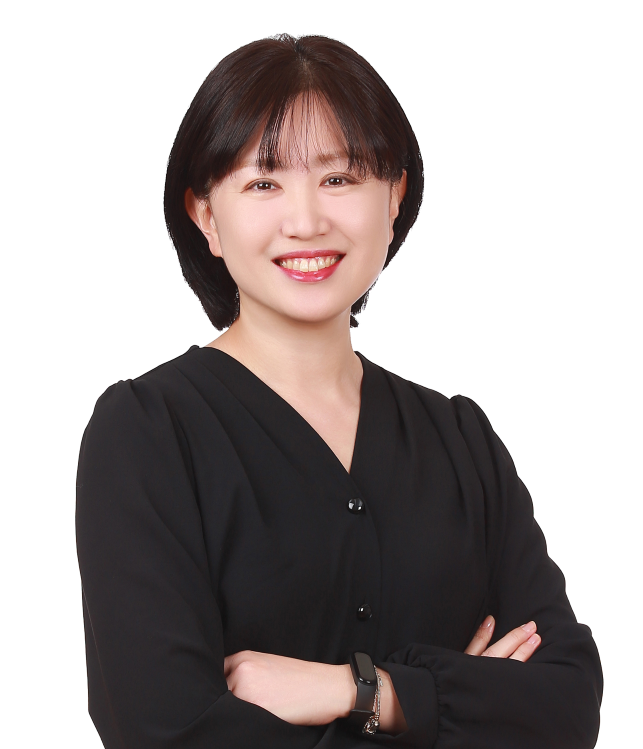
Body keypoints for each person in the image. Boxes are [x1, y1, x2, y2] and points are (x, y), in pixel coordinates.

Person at [76, 33, 602, 747]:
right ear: (206, 217)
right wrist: (459, 705)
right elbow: (166, 733)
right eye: (263, 183)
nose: (306, 222)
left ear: (394, 198)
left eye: (339, 178)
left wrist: (360, 691)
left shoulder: (460, 436)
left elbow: (567, 705)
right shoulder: (147, 431)